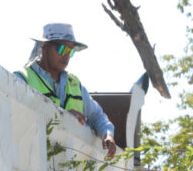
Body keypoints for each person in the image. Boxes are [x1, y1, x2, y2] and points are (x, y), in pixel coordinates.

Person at [15, 23, 117, 158]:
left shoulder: (75, 84)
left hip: (69, 166)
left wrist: (108, 134)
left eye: (71, 51)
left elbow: (97, 116)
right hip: (33, 159)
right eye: (62, 49)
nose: (66, 55)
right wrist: (62, 116)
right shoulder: (22, 79)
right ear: (45, 47)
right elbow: (18, 117)